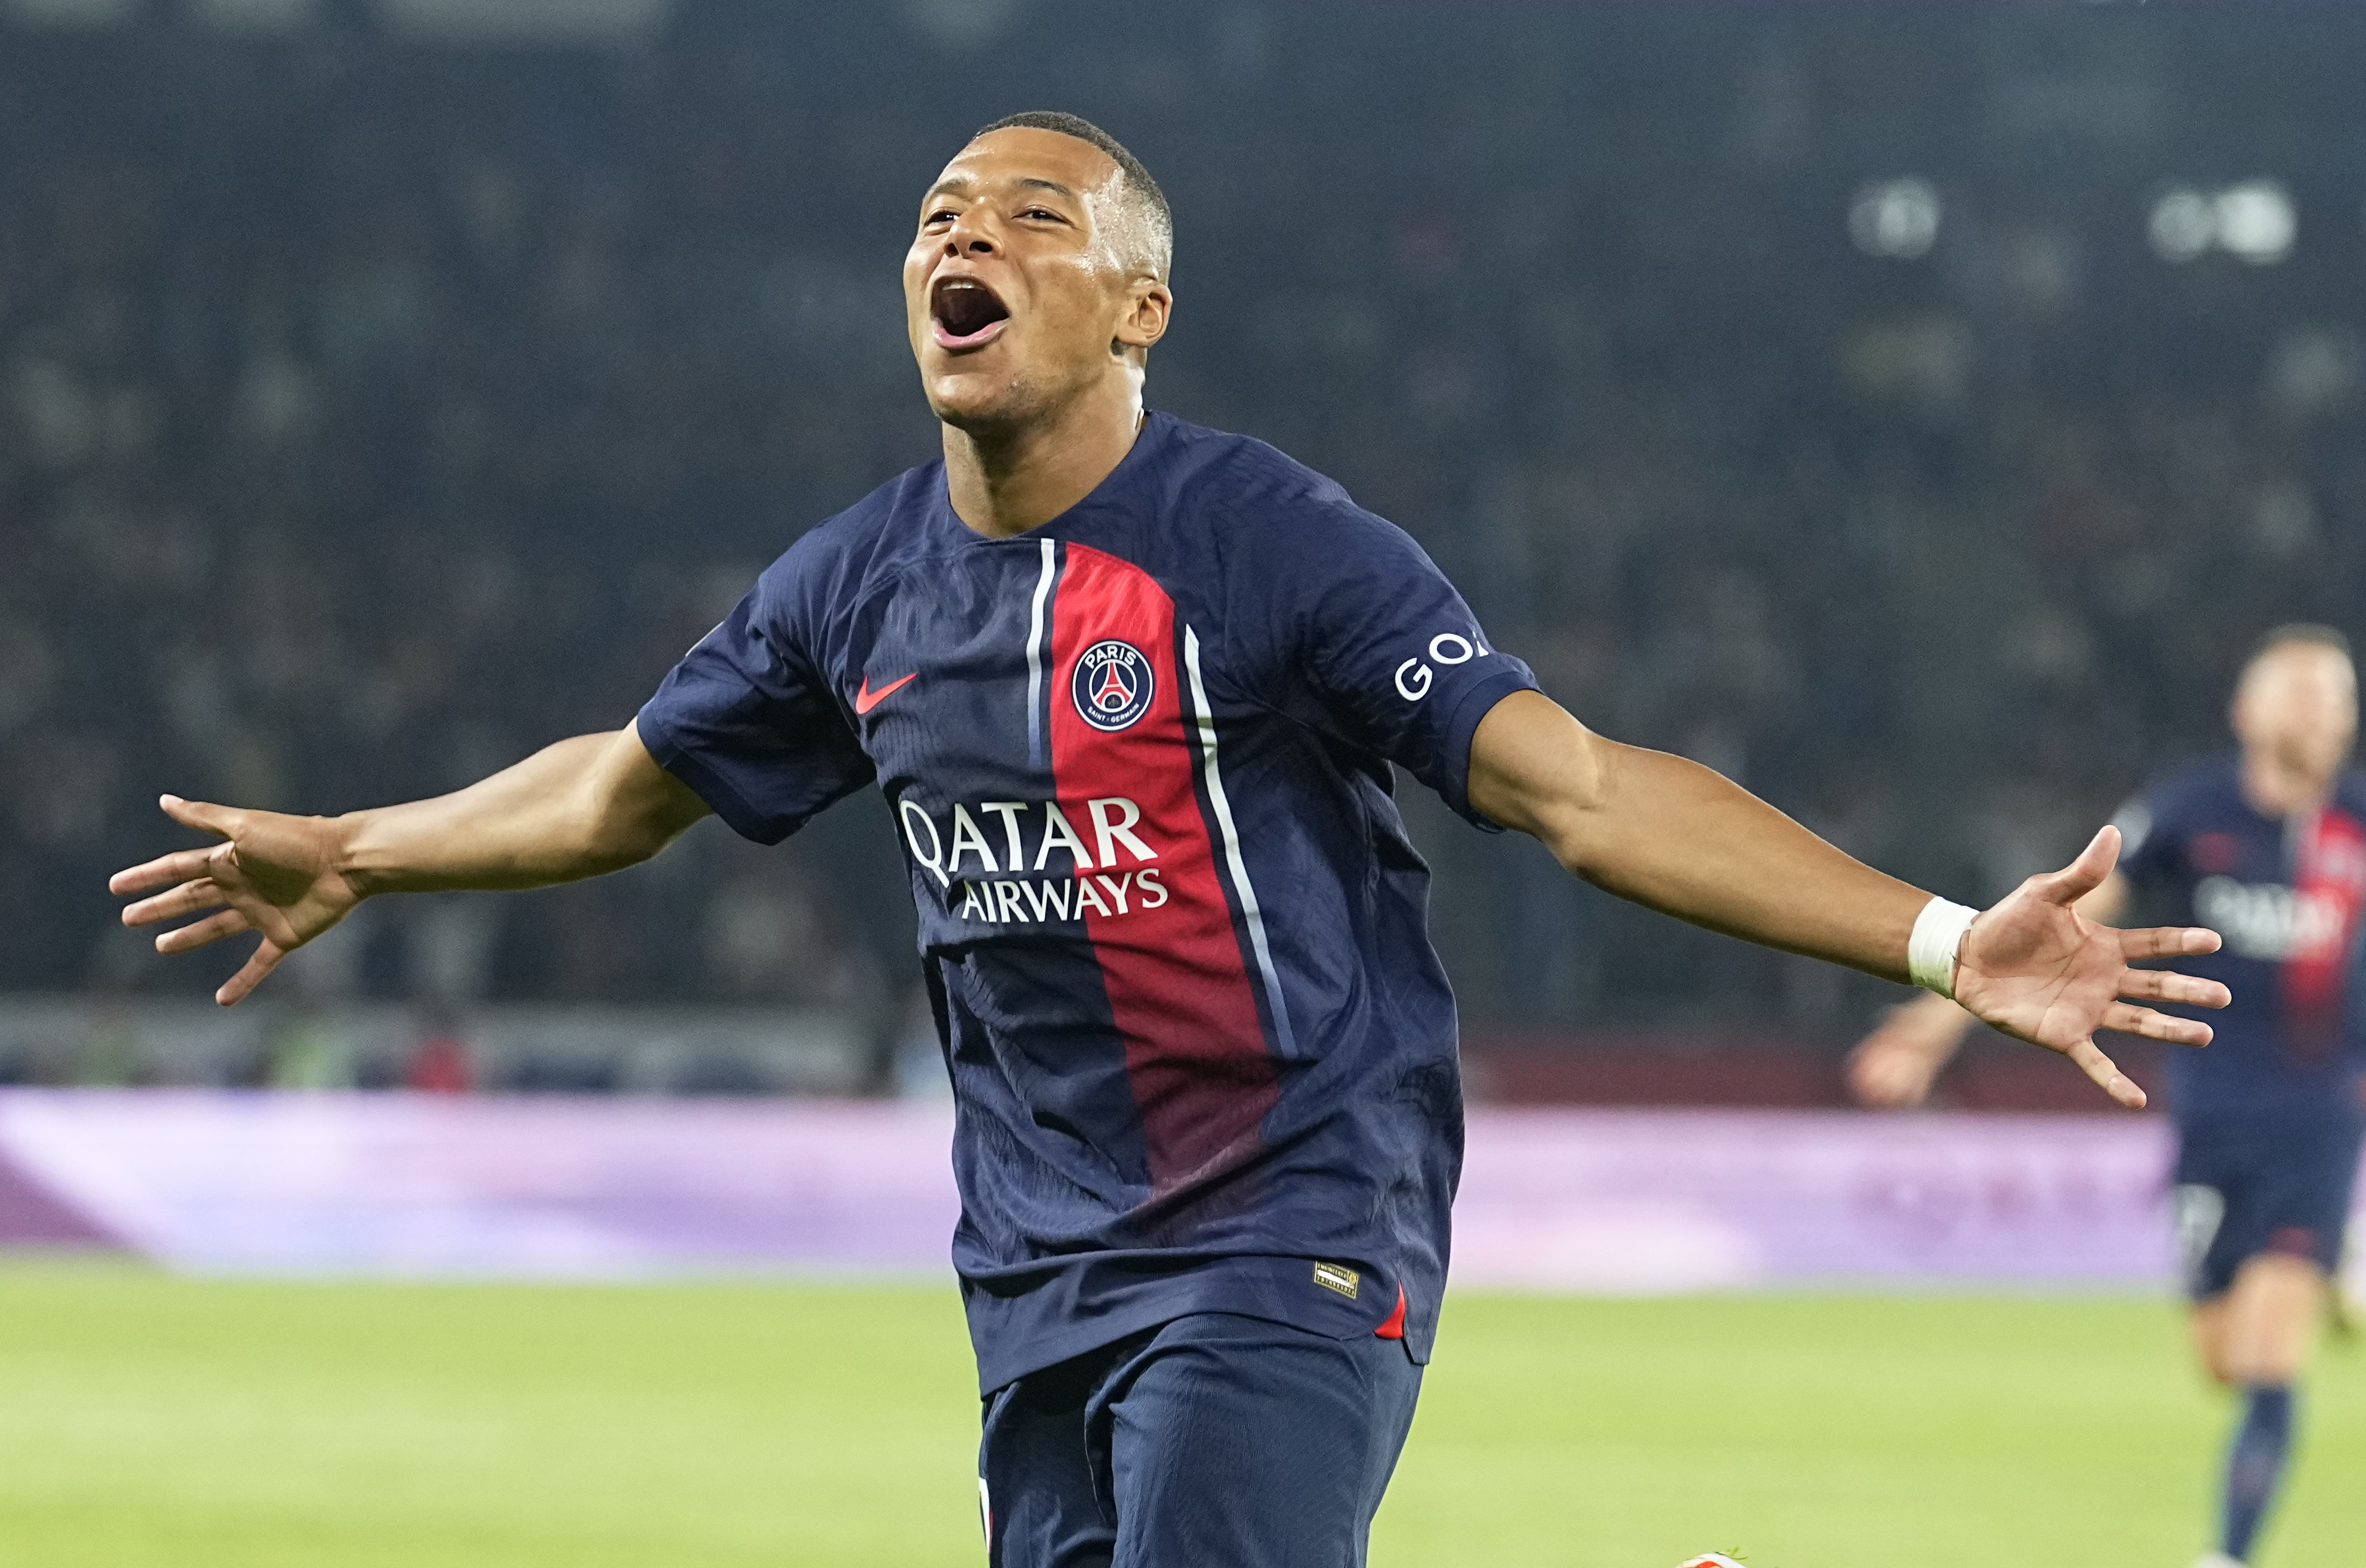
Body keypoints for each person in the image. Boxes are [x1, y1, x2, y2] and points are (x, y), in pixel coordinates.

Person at [111, 112, 2228, 1567]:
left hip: (1286, 1211)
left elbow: (1573, 788)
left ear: (1136, 311)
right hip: (1028, 1261)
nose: (964, 236)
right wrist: (363, 849)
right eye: (939, 213)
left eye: (1032, 216)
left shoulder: (1266, 543)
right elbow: (617, 787)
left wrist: (1944, 941)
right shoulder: (853, 586)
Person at [1849, 626, 2365, 1568]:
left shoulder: (2357, 827)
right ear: (2246, 710)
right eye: (2299, 694)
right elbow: (2060, 926)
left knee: (2266, 1362)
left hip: (2319, 1119)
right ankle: (2334, 1267)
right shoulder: (2189, 811)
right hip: (2209, 1120)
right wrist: (1936, 1018)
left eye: (2335, 697)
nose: (2321, 714)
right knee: (2221, 1359)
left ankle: (2227, 1556)